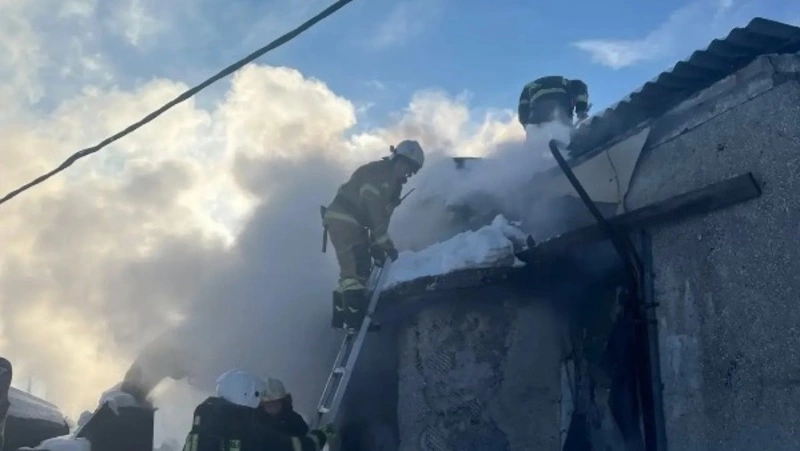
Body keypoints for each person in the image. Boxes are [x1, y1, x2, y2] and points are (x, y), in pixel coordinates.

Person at [322, 140, 425, 331]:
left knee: (356, 267)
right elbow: (373, 208)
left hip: (352, 222)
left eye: (410, 170)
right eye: (404, 165)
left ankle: (341, 318)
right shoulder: (378, 172)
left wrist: (377, 247)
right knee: (356, 267)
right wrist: (384, 242)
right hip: (344, 217)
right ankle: (354, 321)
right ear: (396, 159)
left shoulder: (394, 187)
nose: (405, 171)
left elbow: (383, 217)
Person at [182, 369, 334, 451]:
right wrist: (324, 433)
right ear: (247, 395)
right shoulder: (249, 433)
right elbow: (299, 447)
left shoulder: (205, 419)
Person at [518, 76, 590, 129]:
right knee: (564, 126)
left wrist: (527, 125)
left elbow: (523, 107)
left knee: (539, 134)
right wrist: (581, 109)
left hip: (536, 108)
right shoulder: (572, 84)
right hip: (559, 98)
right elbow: (581, 91)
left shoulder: (529, 87)